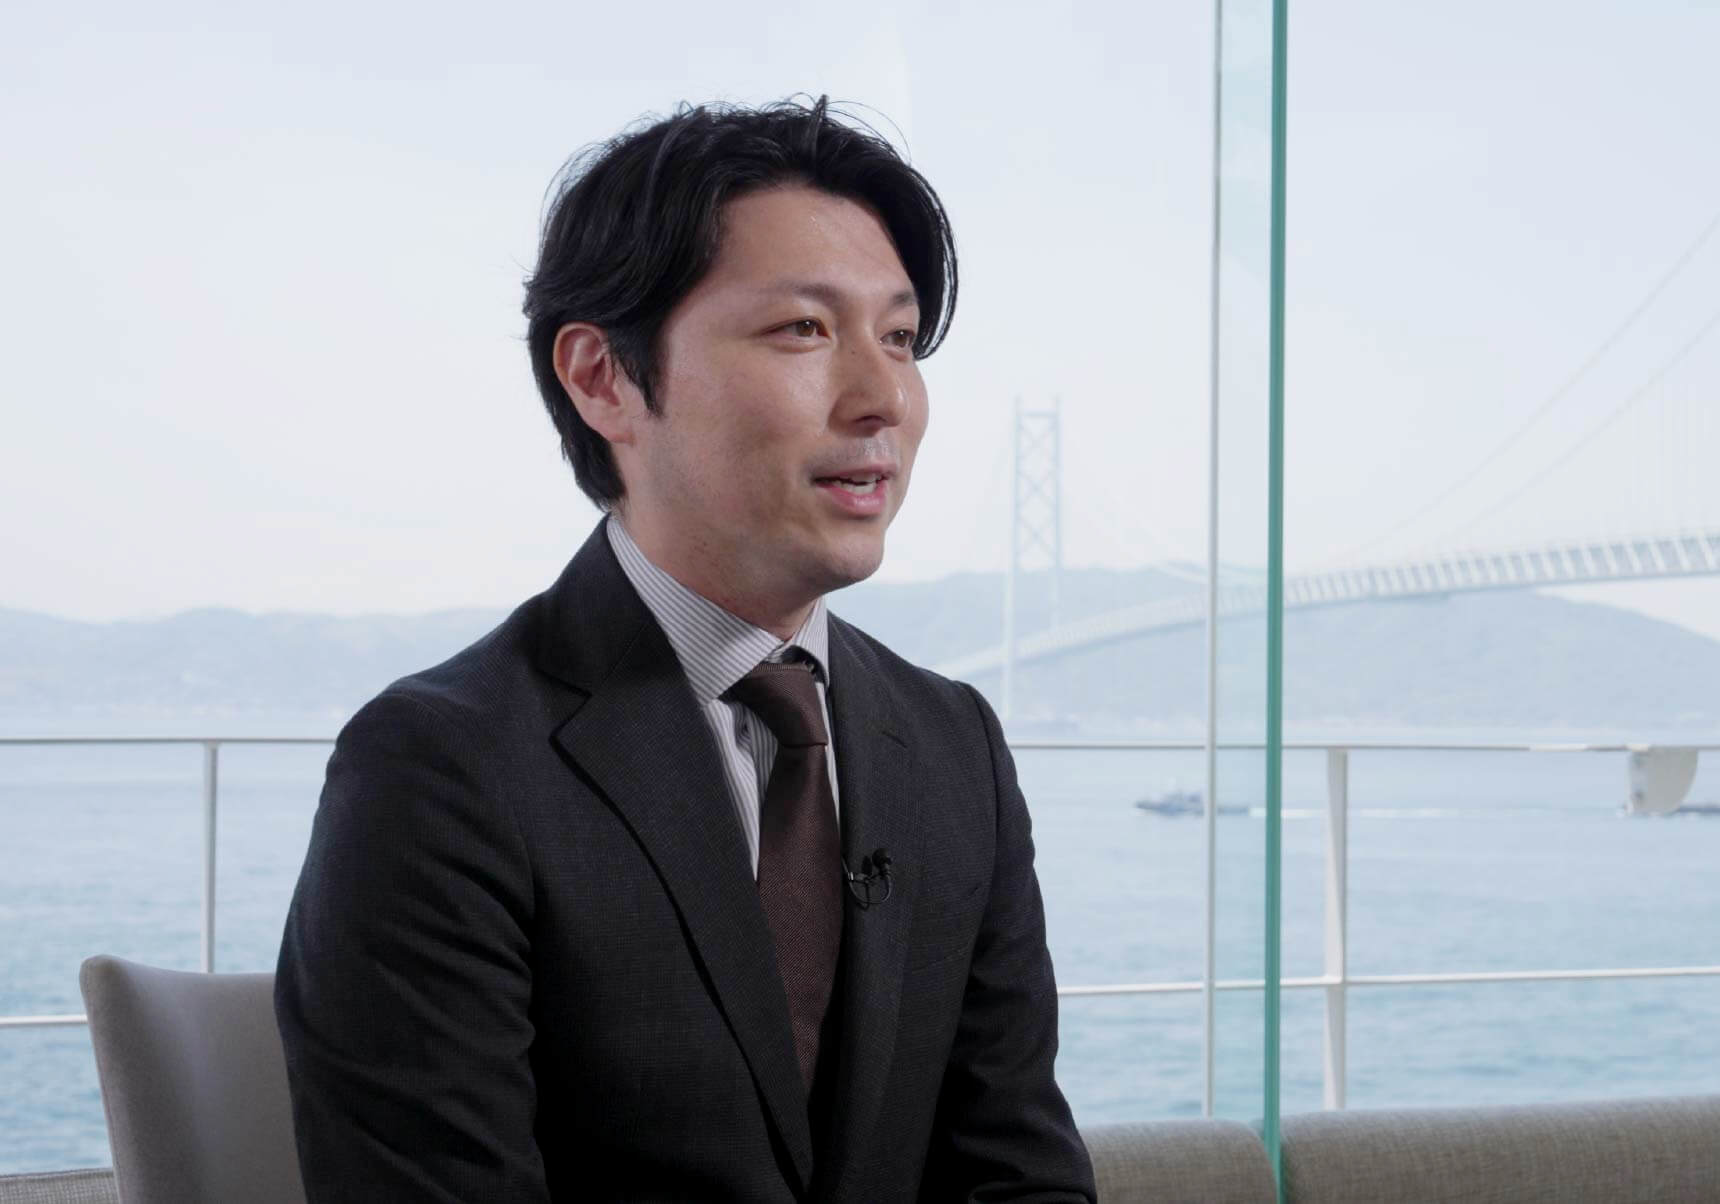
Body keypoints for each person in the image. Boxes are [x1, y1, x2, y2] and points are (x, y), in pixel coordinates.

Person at [274, 94, 1095, 1203]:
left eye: (899, 338)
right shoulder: (440, 768)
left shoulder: (953, 746)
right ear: (603, 378)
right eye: (803, 329)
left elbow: (1019, 1173)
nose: (883, 400)